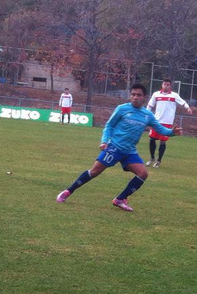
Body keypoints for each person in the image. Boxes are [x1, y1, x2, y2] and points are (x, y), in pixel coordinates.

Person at [56, 84, 183, 212]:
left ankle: (120, 199)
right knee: (94, 172)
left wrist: (172, 132)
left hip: (130, 151)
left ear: (144, 97)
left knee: (143, 174)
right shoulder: (122, 109)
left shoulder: (147, 115)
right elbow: (109, 126)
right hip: (114, 147)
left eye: (138, 95)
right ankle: (68, 191)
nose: (135, 97)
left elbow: (161, 129)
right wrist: (104, 141)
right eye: (133, 94)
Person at [145, 78, 192, 168]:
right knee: (152, 139)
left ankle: (158, 161)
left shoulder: (174, 95)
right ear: (162, 85)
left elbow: (183, 102)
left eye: (168, 85)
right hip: (156, 121)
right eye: (165, 84)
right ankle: (152, 158)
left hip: (167, 122)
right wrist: (146, 115)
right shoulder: (156, 94)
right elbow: (150, 105)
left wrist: (188, 107)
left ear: (170, 86)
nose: (166, 86)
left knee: (163, 141)